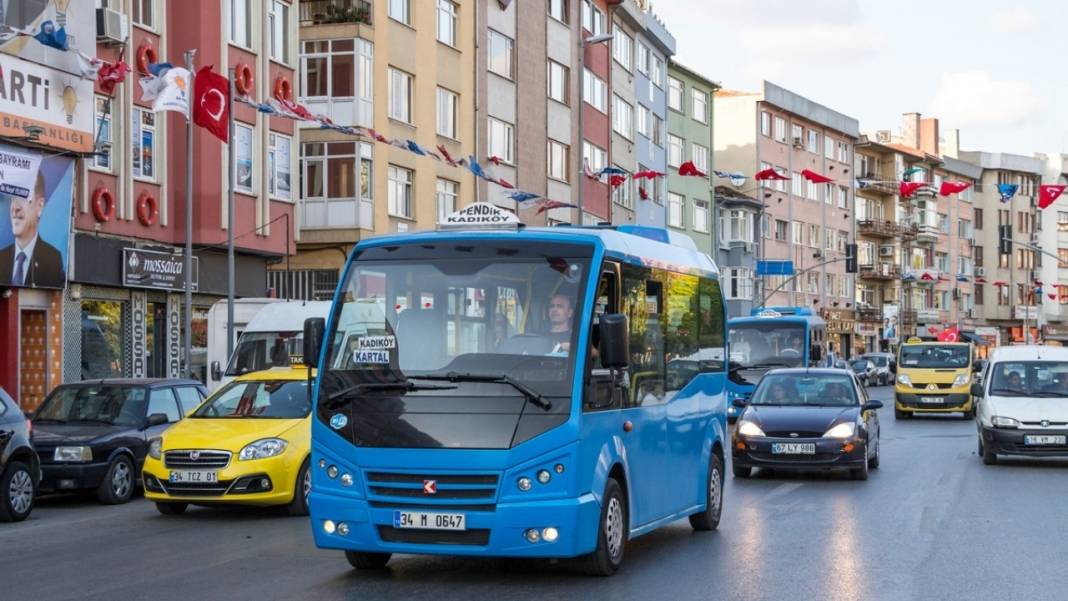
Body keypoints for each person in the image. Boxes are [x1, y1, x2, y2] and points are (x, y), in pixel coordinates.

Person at [0, 174, 65, 288]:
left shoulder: (52, 259)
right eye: (13, 198)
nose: (15, 208)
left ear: (39, 206)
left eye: (24, 196)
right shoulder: (1, 257)